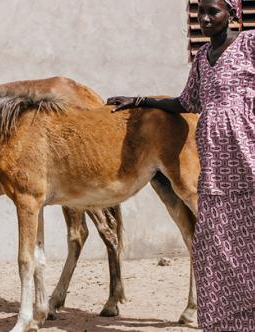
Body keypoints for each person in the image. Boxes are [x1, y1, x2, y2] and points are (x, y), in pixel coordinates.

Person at [107, 0, 254, 331]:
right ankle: (226, 322)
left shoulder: (249, 44)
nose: (204, 18)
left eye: (212, 11)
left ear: (232, 14)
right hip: (215, 164)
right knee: (215, 240)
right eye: (200, 11)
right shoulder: (203, 59)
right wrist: (141, 100)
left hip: (248, 156)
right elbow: (186, 102)